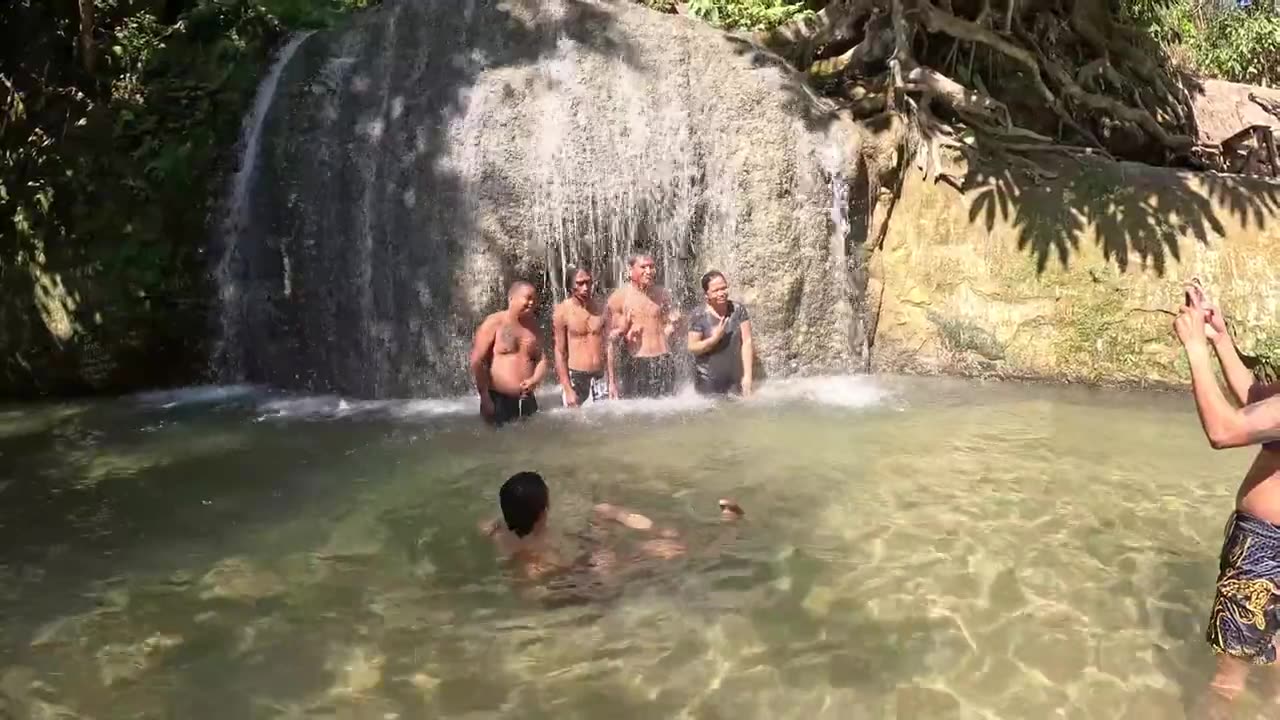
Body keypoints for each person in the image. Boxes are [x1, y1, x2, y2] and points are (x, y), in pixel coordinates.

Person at [1174, 278, 1280, 718]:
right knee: (1274, 668)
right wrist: (1221, 339)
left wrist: (1196, 348)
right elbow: (1257, 404)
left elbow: (1226, 430)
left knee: (1227, 681)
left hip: (1264, 552)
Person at [479, 471, 745, 589]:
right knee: (661, 552)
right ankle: (728, 529)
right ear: (541, 512)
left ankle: (660, 530)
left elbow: (485, 526)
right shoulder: (539, 554)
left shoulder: (503, 530)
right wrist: (627, 558)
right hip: (589, 583)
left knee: (603, 511)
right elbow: (563, 581)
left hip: (583, 559)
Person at [469, 281, 549, 427]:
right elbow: (477, 360)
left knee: (531, 445)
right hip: (498, 400)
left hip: (527, 399)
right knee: (499, 446)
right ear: (512, 298)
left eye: (534, 299)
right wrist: (485, 397)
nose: (532, 302)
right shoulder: (494, 322)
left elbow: (542, 359)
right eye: (528, 298)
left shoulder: (534, 326)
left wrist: (534, 380)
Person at [606, 254, 682, 399]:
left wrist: (674, 325)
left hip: (664, 361)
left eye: (651, 267)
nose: (649, 271)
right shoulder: (619, 297)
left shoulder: (663, 294)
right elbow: (610, 342)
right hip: (638, 364)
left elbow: (671, 329)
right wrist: (612, 382)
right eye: (643, 267)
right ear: (630, 270)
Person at [687, 270, 755, 396]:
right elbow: (692, 347)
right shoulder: (698, 315)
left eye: (723, 288)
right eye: (716, 290)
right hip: (708, 383)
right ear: (706, 294)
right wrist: (714, 339)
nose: (721, 293)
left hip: (734, 381)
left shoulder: (738, 310)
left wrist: (747, 377)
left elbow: (747, 342)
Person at [552, 267, 609, 408]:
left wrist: (612, 381)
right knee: (576, 425)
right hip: (576, 377)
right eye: (580, 283)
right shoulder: (562, 312)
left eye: (588, 282)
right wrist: (567, 388)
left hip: (600, 376)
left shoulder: (602, 307)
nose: (586, 288)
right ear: (570, 286)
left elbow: (609, 346)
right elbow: (560, 352)